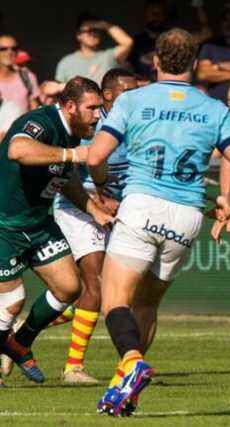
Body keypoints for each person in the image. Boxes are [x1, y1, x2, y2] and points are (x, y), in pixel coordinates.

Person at [86, 28, 230, 416]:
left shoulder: (132, 100)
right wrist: (228, 200)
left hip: (143, 204)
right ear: (195, 64)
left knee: (114, 299)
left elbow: (96, 157)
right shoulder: (214, 108)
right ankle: (123, 387)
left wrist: (101, 190)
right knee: (147, 303)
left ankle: (131, 361)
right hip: (187, 215)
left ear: (155, 61)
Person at [0, 77, 113, 386]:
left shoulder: (75, 133)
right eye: (91, 108)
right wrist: (71, 155)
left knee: (68, 287)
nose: (97, 114)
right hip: (5, 224)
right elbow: (17, 149)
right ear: (69, 106)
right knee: (11, 301)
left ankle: (20, 342)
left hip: (38, 224)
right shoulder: (41, 122)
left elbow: (66, 179)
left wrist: (94, 210)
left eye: (100, 108)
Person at [51, 69, 137, 384]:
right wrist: (97, 199)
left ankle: (21, 333)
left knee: (106, 291)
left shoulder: (135, 126)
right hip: (79, 207)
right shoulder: (91, 127)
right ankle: (73, 367)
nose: (135, 96)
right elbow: (67, 176)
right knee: (96, 284)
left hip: (114, 210)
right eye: (129, 90)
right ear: (110, 95)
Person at [128, 0, 212, 81]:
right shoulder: (135, 42)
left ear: (165, 15)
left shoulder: (174, 38)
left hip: (173, 86)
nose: (155, 16)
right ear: (145, 14)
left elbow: (206, 33)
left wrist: (198, 4)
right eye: (152, 13)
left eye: (159, 13)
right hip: (145, 88)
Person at [55, 17, 133, 85]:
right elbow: (59, 93)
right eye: (89, 30)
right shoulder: (66, 62)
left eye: (96, 30)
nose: (93, 33)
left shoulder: (108, 55)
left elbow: (128, 42)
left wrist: (104, 25)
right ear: (79, 35)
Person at [0, 35, 39, 112]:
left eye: (14, 49)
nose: (9, 52)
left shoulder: (27, 77)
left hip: (22, 123)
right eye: (3, 49)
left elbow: (34, 111)